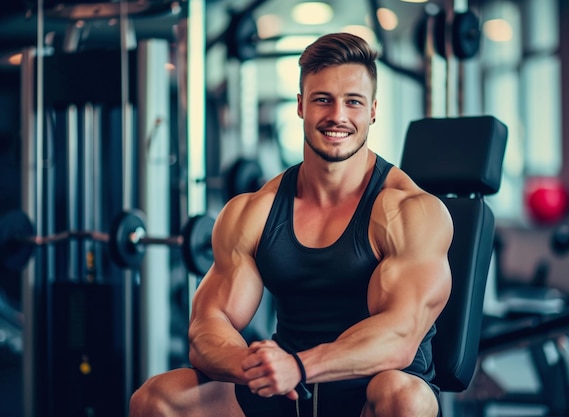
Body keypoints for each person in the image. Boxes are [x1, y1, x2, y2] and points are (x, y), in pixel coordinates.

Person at [129, 32, 453, 417]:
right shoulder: (255, 211)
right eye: (322, 100)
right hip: (290, 393)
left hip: (370, 392)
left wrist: (298, 366)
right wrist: (253, 366)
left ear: (373, 110)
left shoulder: (409, 210)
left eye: (353, 102)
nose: (338, 116)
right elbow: (207, 327)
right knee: (156, 398)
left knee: (408, 398)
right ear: (301, 106)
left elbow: (399, 337)